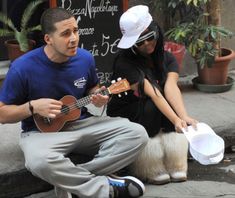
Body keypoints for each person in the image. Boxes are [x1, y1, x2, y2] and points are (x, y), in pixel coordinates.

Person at [0, 7, 149, 198]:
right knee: (38, 161)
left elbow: (92, 88)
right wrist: (32, 107)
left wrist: (100, 95)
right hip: (40, 133)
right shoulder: (22, 67)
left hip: (82, 124)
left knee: (137, 134)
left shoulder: (84, 58)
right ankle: (105, 188)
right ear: (48, 39)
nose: (74, 38)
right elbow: (2, 114)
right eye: (65, 33)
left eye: (76, 31)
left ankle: (71, 181)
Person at [107, 5, 198, 185]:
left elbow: (171, 87)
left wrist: (183, 117)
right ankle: (149, 165)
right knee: (151, 106)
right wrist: (175, 119)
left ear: (157, 31)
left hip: (155, 105)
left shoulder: (168, 58)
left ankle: (175, 161)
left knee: (170, 106)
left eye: (150, 37)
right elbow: (153, 93)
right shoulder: (124, 62)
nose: (147, 44)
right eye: (139, 42)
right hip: (128, 111)